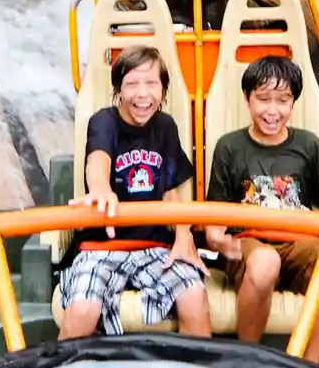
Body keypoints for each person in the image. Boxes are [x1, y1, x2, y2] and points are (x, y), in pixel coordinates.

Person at [204, 56, 319, 364]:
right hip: (252, 241)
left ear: (293, 103)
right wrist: (220, 241)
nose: (272, 111)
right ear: (247, 99)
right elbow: (215, 219)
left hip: (297, 240)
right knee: (265, 262)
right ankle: (249, 359)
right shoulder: (230, 147)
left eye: (283, 100)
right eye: (263, 99)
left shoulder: (308, 146)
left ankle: (310, 365)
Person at [62, 46, 211, 338]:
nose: (142, 94)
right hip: (103, 246)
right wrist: (102, 190)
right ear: (118, 90)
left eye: (152, 84)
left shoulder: (166, 127)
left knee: (195, 298)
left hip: (154, 245)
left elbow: (169, 191)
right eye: (131, 84)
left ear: (164, 90)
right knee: (82, 310)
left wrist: (183, 235)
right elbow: (98, 161)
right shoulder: (103, 122)